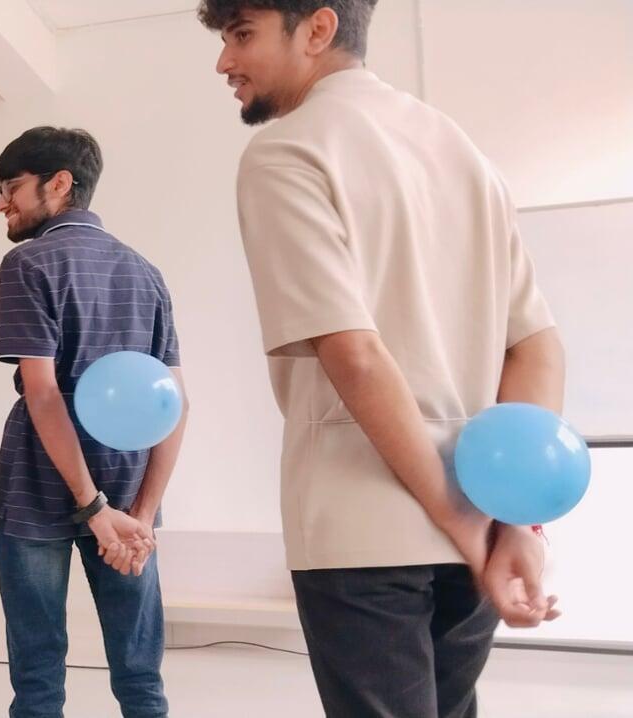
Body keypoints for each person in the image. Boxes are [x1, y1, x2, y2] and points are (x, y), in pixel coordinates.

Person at [200, 0, 564, 714]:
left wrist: (468, 525)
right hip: (478, 520)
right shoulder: (463, 152)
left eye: (242, 35)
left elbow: (356, 356)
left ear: (318, 28)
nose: (224, 62)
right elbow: (536, 345)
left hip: (363, 530)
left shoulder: (286, 151)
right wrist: (509, 521)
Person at [0, 127, 187, 718]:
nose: (1, 203)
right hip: (127, 489)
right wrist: (141, 516)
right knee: (141, 676)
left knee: (38, 679)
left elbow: (43, 393)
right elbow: (174, 402)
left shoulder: (26, 263)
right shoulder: (147, 272)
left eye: (11, 187)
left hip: (36, 488)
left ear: (59, 184)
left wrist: (95, 509)